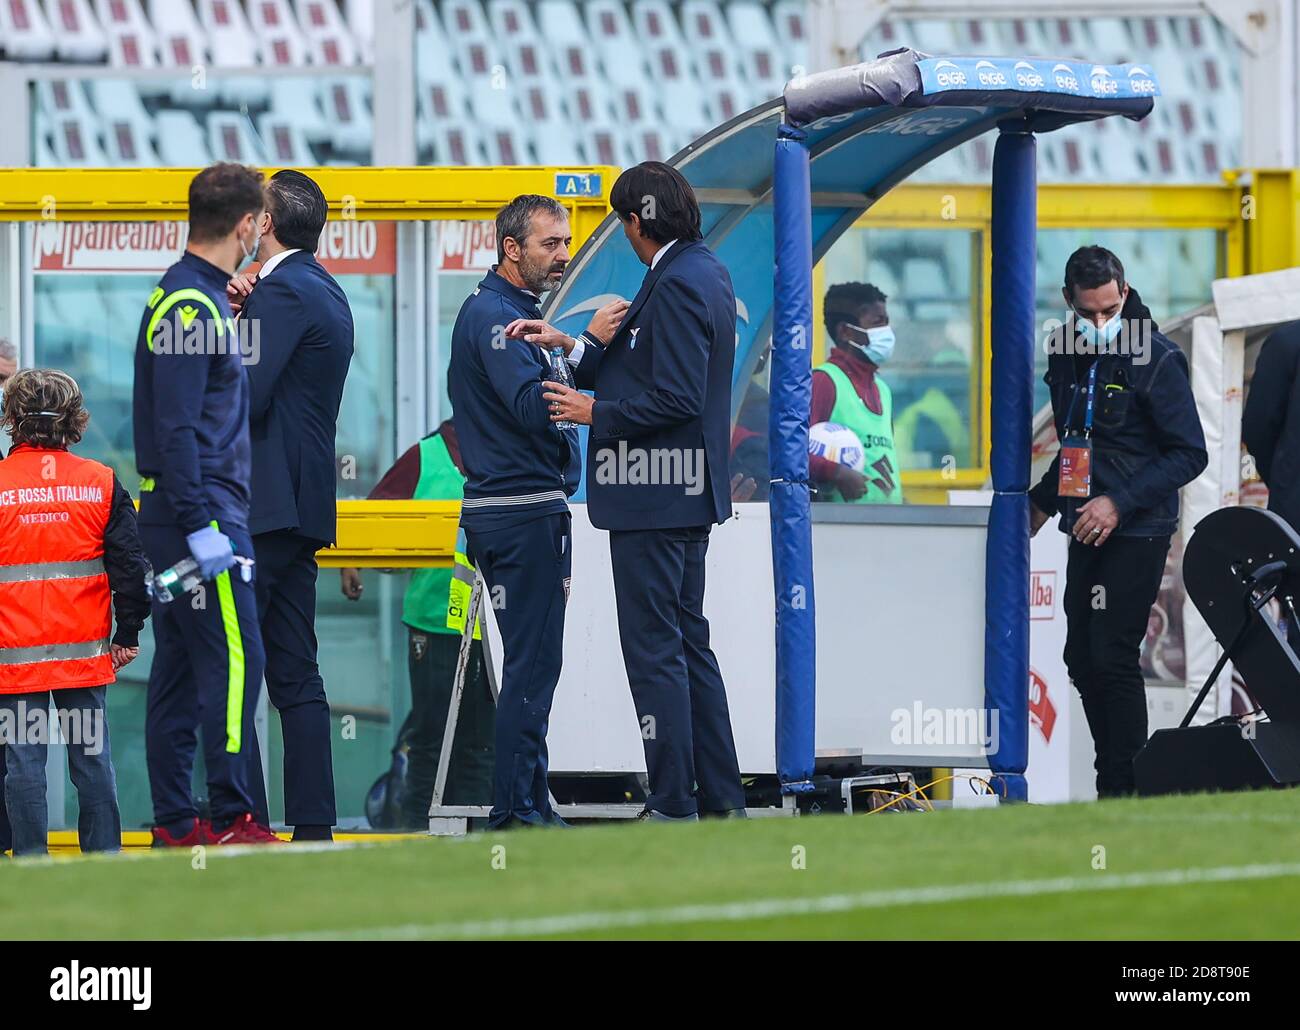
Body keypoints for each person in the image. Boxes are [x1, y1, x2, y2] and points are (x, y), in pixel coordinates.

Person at [510, 161, 746, 821]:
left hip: (655, 497)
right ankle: (720, 799)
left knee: (655, 651)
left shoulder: (674, 283)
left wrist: (592, 413)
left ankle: (673, 799)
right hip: (681, 496)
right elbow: (646, 363)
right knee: (687, 645)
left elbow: (672, 395)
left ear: (635, 221)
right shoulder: (702, 270)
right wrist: (576, 347)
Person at [133, 162, 279, 846]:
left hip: (178, 514)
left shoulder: (191, 297)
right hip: (203, 516)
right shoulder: (191, 306)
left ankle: (172, 820)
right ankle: (235, 815)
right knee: (234, 661)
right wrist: (201, 525)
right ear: (247, 225)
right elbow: (179, 428)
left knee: (180, 669)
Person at [1029, 245, 1207, 798]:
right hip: (1081, 520)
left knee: (1111, 653)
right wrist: (1040, 501)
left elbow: (1189, 453)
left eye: (1111, 308)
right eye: (1090, 313)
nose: (1102, 322)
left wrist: (1119, 502)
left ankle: (1124, 787)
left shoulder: (1157, 357)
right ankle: (1121, 777)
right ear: (1068, 303)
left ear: (1125, 291)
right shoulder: (1064, 353)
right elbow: (1078, 445)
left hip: (1137, 527)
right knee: (1080, 656)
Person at [225, 170, 354, 842]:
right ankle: (312, 824)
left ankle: (240, 818)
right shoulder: (319, 288)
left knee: (234, 674)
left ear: (266, 225)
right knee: (296, 671)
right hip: (295, 508)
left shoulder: (283, 293)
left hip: (262, 508)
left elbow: (240, 394)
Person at [0, 369, 150, 857]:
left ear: (12, 420)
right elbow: (130, 570)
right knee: (92, 762)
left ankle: (30, 864)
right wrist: (127, 632)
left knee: (22, 764)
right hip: (83, 658)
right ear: (74, 421)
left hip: (13, 660)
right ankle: (104, 860)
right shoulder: (100, 483)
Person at [340, 418, 494, 828]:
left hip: (490, 630)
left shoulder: (504, 447)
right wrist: (352, 559)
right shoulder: (424, 456)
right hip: (434, 625)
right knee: (430, 740)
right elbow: (374, 518)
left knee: (481, 744)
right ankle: (414, 837)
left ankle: (478, 840)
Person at [811, 282, 903, 503]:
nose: (887, 333)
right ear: (845, 331)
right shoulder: (824, 381)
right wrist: (836, 473)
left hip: (890, 526)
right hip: (845, 527)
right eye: (877, 323)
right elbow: (789, 452)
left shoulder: (883, 390)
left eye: (887, 323)